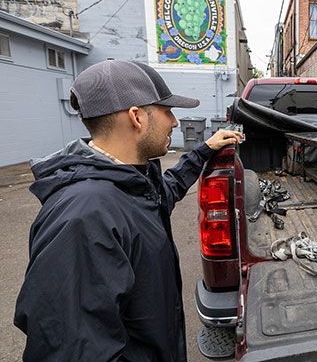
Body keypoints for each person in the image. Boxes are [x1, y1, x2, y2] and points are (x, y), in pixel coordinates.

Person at [14, 60, 243, 361]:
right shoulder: (84, 218)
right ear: (137, 117)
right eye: (167, 111)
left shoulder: (127, 181)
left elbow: (164, 191)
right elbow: (71, 350)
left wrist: (203, 150)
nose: (175, 122)